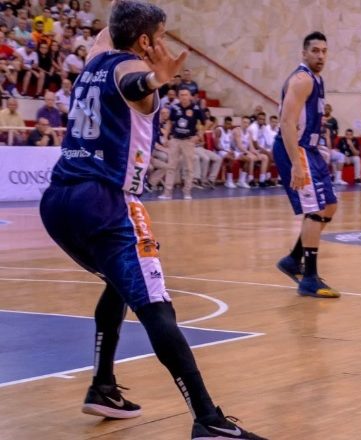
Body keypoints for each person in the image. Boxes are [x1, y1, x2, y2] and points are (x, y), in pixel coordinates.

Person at [38, 2, 264, 438]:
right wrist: (155, 77)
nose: (164, 43)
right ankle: (208, 419)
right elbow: (134, 80)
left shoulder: (95, 58)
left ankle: (103, 386)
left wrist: (133, 30)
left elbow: (113, 32)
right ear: (144, 41)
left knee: (118, 282)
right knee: (158, 307)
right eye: (160, 36)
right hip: (106, 203)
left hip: (58, 201)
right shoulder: (128, 70)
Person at [273, 31, 340, 298]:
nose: (320, 55)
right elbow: (287, 123)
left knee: (330, 205)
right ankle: (309, 277)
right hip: (296, 149)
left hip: (310, 149)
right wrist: (297, 164)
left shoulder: (317, 79)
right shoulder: (301, 80)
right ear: (304, 53)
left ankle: (293, 258)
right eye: (315, 50)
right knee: (315, 209)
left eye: (324, 51)